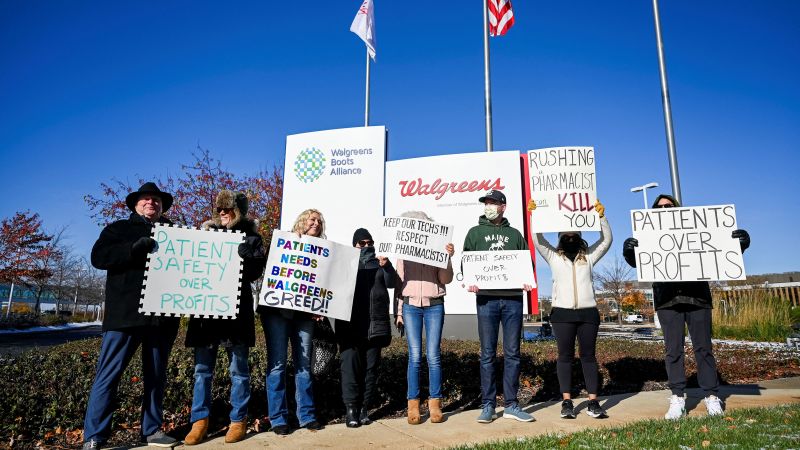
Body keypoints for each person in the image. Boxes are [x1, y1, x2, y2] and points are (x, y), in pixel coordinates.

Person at [622, 194, 751, 419]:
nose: (664, 209)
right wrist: (629, 250)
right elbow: (638, 263)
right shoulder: (649, 236)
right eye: (659, 207)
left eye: (669, 206)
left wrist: (739, 244)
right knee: (673, 350)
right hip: (667, 300)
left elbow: (717, 253)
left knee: (704, 348)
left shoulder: (695, 231)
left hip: (697, 298)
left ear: (677, 208)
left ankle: (711, 396)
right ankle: (677, 398)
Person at [82, 182, 180, 449]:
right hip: (125, 316)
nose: (152, 203)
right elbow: (98, 257)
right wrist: (132, 249)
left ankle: (152, 430)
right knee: (108, 375)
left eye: (157, 200)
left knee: (156, 377)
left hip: (161, 318)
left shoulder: (174, 234)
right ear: (136, 204)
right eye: (146, 199)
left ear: (162, 206)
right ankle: (95, 436)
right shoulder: (118, 229)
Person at [183, 191, 266, 445]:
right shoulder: (205, 235)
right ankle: (200, 422)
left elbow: (255, 273)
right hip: (206, 315)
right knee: (202, 370)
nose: (222, 213)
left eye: (227, 209)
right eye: (219, 208)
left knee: (238, 370)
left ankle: (238, 420)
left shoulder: (252, 238)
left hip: (235, 314)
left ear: (238, 211)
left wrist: (248, 256)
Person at [529, 199, 612, 419]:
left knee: (589, 357)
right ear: (560, 239)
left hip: (588, 313)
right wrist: (534, 215)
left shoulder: (589, 257)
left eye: (574, 236)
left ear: (581, 238)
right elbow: (538, 239)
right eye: (566, 236)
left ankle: (593, 402)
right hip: (562, 314)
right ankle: (566, 402)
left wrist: (601, 217)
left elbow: (606, 241)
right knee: (564, 357)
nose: (570, 239)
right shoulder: (553, 257)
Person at [463, 190, 535, 424]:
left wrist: (527, 278)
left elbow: (527, 263)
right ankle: (488, 405)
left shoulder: (514, 235)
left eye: (493, 202)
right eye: (486, 203)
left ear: (503, 206)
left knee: (513, 353)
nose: (489, 206)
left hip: (513, 299)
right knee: (487, 354)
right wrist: (469, 280)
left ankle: (512, 404)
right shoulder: (474, 233)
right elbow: (467, 263)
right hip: (486, 301)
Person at [258, 209, 325, 434]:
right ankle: (278, 419)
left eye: (319, 221)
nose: (316, 223)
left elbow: (323, 285)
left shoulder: (322, 254)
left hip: (304, 315)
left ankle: (306, 416)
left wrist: (320, 305)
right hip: (277, 312)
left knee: (304, 366)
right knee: (276, 365)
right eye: (312, 219)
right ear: (301, 221)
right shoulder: (282, 243)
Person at [394, 211, 455, 425]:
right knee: (414, 356)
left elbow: (445, 279)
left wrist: (447, 258)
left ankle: (435, 404)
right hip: (411, 306)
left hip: (434, 305)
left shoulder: (438, 248)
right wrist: (400, 311)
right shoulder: (403, 250)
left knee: (433, 355)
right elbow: (400, 283)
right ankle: (413, 405)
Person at [335, 228, 396, 428]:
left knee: (371, 369)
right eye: (362, 243)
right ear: (354, 245)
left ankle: (364, 408)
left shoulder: (381, 263)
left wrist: (386, 267)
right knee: (351, 368)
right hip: (350, 328)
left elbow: (393, 282)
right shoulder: (345, 265)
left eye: (370, 242)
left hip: (374, 325)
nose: (367, 246)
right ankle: (351, 409)